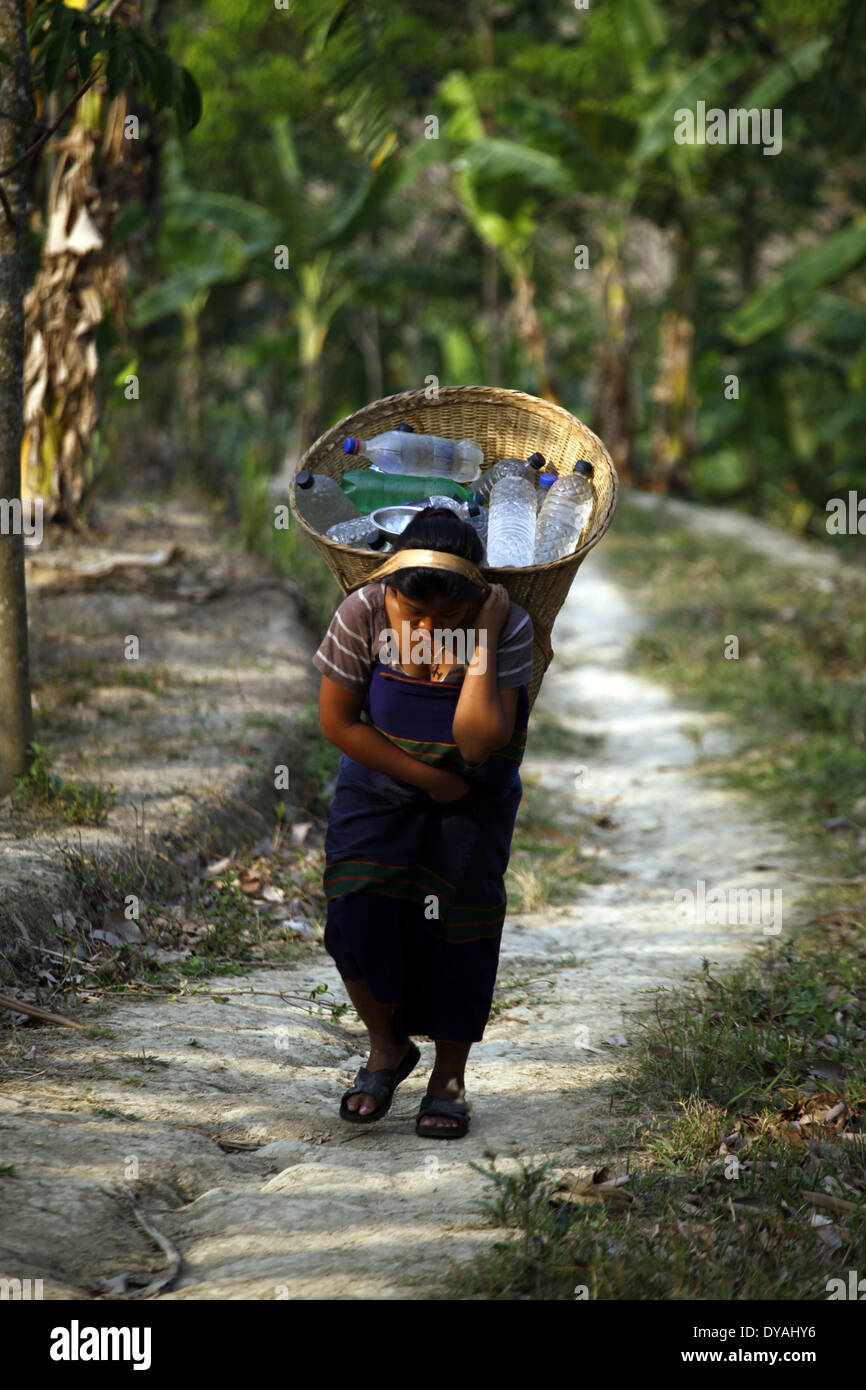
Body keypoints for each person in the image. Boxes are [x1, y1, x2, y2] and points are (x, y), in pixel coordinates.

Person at [312, 507, 533, 1138]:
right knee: (354, 909)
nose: (431, 629)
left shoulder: (504, 626)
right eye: (417, 616)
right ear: (390, 589)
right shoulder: (364, 613)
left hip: (474, 791)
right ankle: (386, 1047)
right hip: (379, 782)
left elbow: (476, 744)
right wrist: (425, 777)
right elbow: (338, 723)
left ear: (476, 602)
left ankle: (449, 1077)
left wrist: (483, 640)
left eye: (449, 619)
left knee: (460, 926)